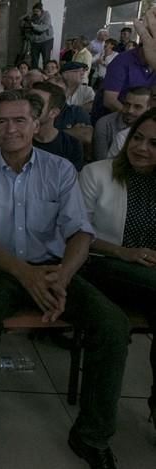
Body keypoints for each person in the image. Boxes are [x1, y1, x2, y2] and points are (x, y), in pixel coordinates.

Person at [0, 89, 129, 469]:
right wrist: (25, 275)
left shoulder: (60, 169)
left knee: (112, 325)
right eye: (2, 121)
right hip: (0, 269)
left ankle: (91, 435)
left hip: (54, 269)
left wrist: (63, 277)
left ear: (37, 124)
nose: (11, 129)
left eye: (20, 120)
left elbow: (80, 232)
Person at [78, 108, 156, 437]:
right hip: (98, 263)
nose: (141, 148)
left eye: (154, 143)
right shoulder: (97, 173)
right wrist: (123, 252)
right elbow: (76, 233)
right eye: (137, 138)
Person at [29, 81, 84, 171]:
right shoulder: (16, 138)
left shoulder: (72, 145)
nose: (27, 107)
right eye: (28, 101)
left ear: (53, 113)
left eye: (36, 103)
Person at [93, 86, 151, 160]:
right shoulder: (105, 124)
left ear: (149, 109)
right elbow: (100, 161)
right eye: (127, 104)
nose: (130, 110)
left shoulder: (152, 127)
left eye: (137, 107)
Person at [21, 2, 54, 69]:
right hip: (35, 41)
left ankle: (46, 75)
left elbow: (44, 27)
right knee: (34, 61)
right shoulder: (32, 16)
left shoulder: (46, 15)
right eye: (34, 11)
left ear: (41, 11)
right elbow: (21, 20)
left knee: (46, 60)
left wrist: (33, 25)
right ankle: (34, 75)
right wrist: (27, 16)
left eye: (37, 11)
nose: (35, 13)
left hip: (46, 40)